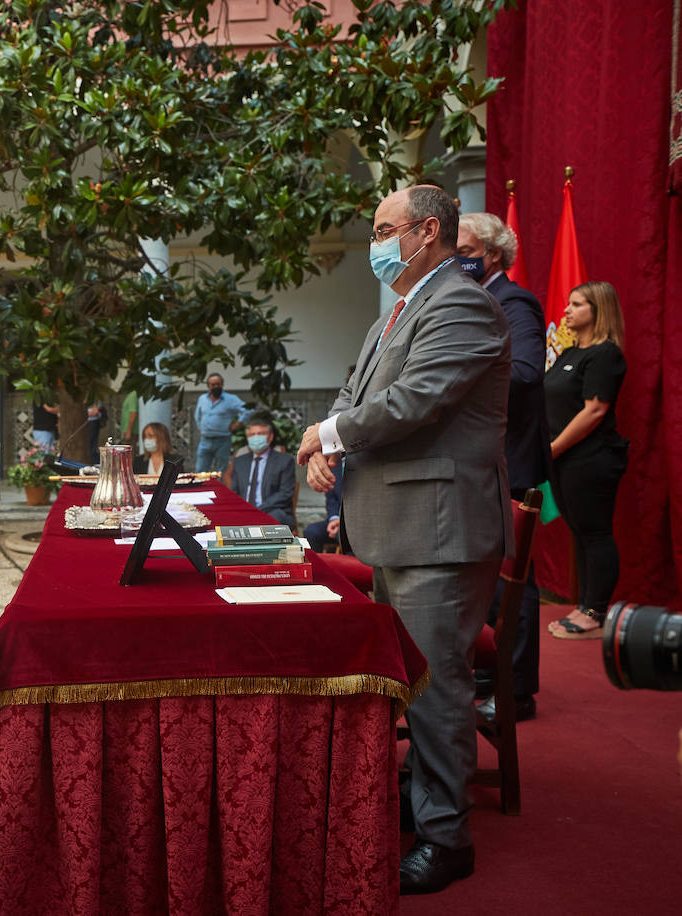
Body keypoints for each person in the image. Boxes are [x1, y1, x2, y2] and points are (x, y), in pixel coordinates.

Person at [296, 185, 511, 895]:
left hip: (438, 532)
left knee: (438, 686)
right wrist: (325, 447)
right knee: (412, 679)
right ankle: (424, 802)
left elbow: (414, 402)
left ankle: (448, 838)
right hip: (396, 529)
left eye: (385, 230)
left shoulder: (462, 304)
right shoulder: (398, 311)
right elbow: (352, 399)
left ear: (427, 230)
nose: (376, 245)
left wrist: (326, 436)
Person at [459, 212, 551, 720]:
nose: (455, 257)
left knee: (513, 584)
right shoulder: (473, 298)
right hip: (481, 460)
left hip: (510, 461)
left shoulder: (514, 302)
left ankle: (516, 689)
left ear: (492, 254)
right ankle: (490, 676)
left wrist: (458, 376)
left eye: (464, 248)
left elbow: (524, 372)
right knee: (485, 577)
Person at [544, 281, 629, 640]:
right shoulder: (569, 353)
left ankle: (596, 612)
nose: (566, 310)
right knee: (579, 532)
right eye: (568, 303)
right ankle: (584, 606)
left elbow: (594, 410)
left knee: (595, 534)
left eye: (577, 304)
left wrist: (551, 449)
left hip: (590, 460)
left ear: (598, 311)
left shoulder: (605, 354)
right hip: (564, 459)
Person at [228, 413, 297, 529]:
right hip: (244, 512)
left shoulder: (284, 461)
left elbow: (285, 494)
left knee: (271, 519)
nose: (255, 438)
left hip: (272, 511)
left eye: (260, 434)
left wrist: (256, 510)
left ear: (270, 437)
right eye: (252, 435)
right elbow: (234, 493)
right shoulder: (239, 462)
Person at [193, 373, 245, 473]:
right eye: (213, 385)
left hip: (223, 441)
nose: (216, 387)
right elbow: (197, 416)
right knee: (200, 470)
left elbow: (247, 411)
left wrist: (237, 424)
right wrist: (202, 428)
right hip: (205, 440)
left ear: (222, 384)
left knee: (221, 471)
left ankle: (219, 489)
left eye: (218, 384)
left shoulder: (231, 399)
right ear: (208, 386)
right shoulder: (202, 398)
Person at [302, 461, 344, 552]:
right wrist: (334, 518)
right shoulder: (334, 464)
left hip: (356, 523)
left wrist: (342, 524)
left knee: (343, 535)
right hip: (337, 519)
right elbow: (331, 499)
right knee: (311, 532)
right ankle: (316, 565)